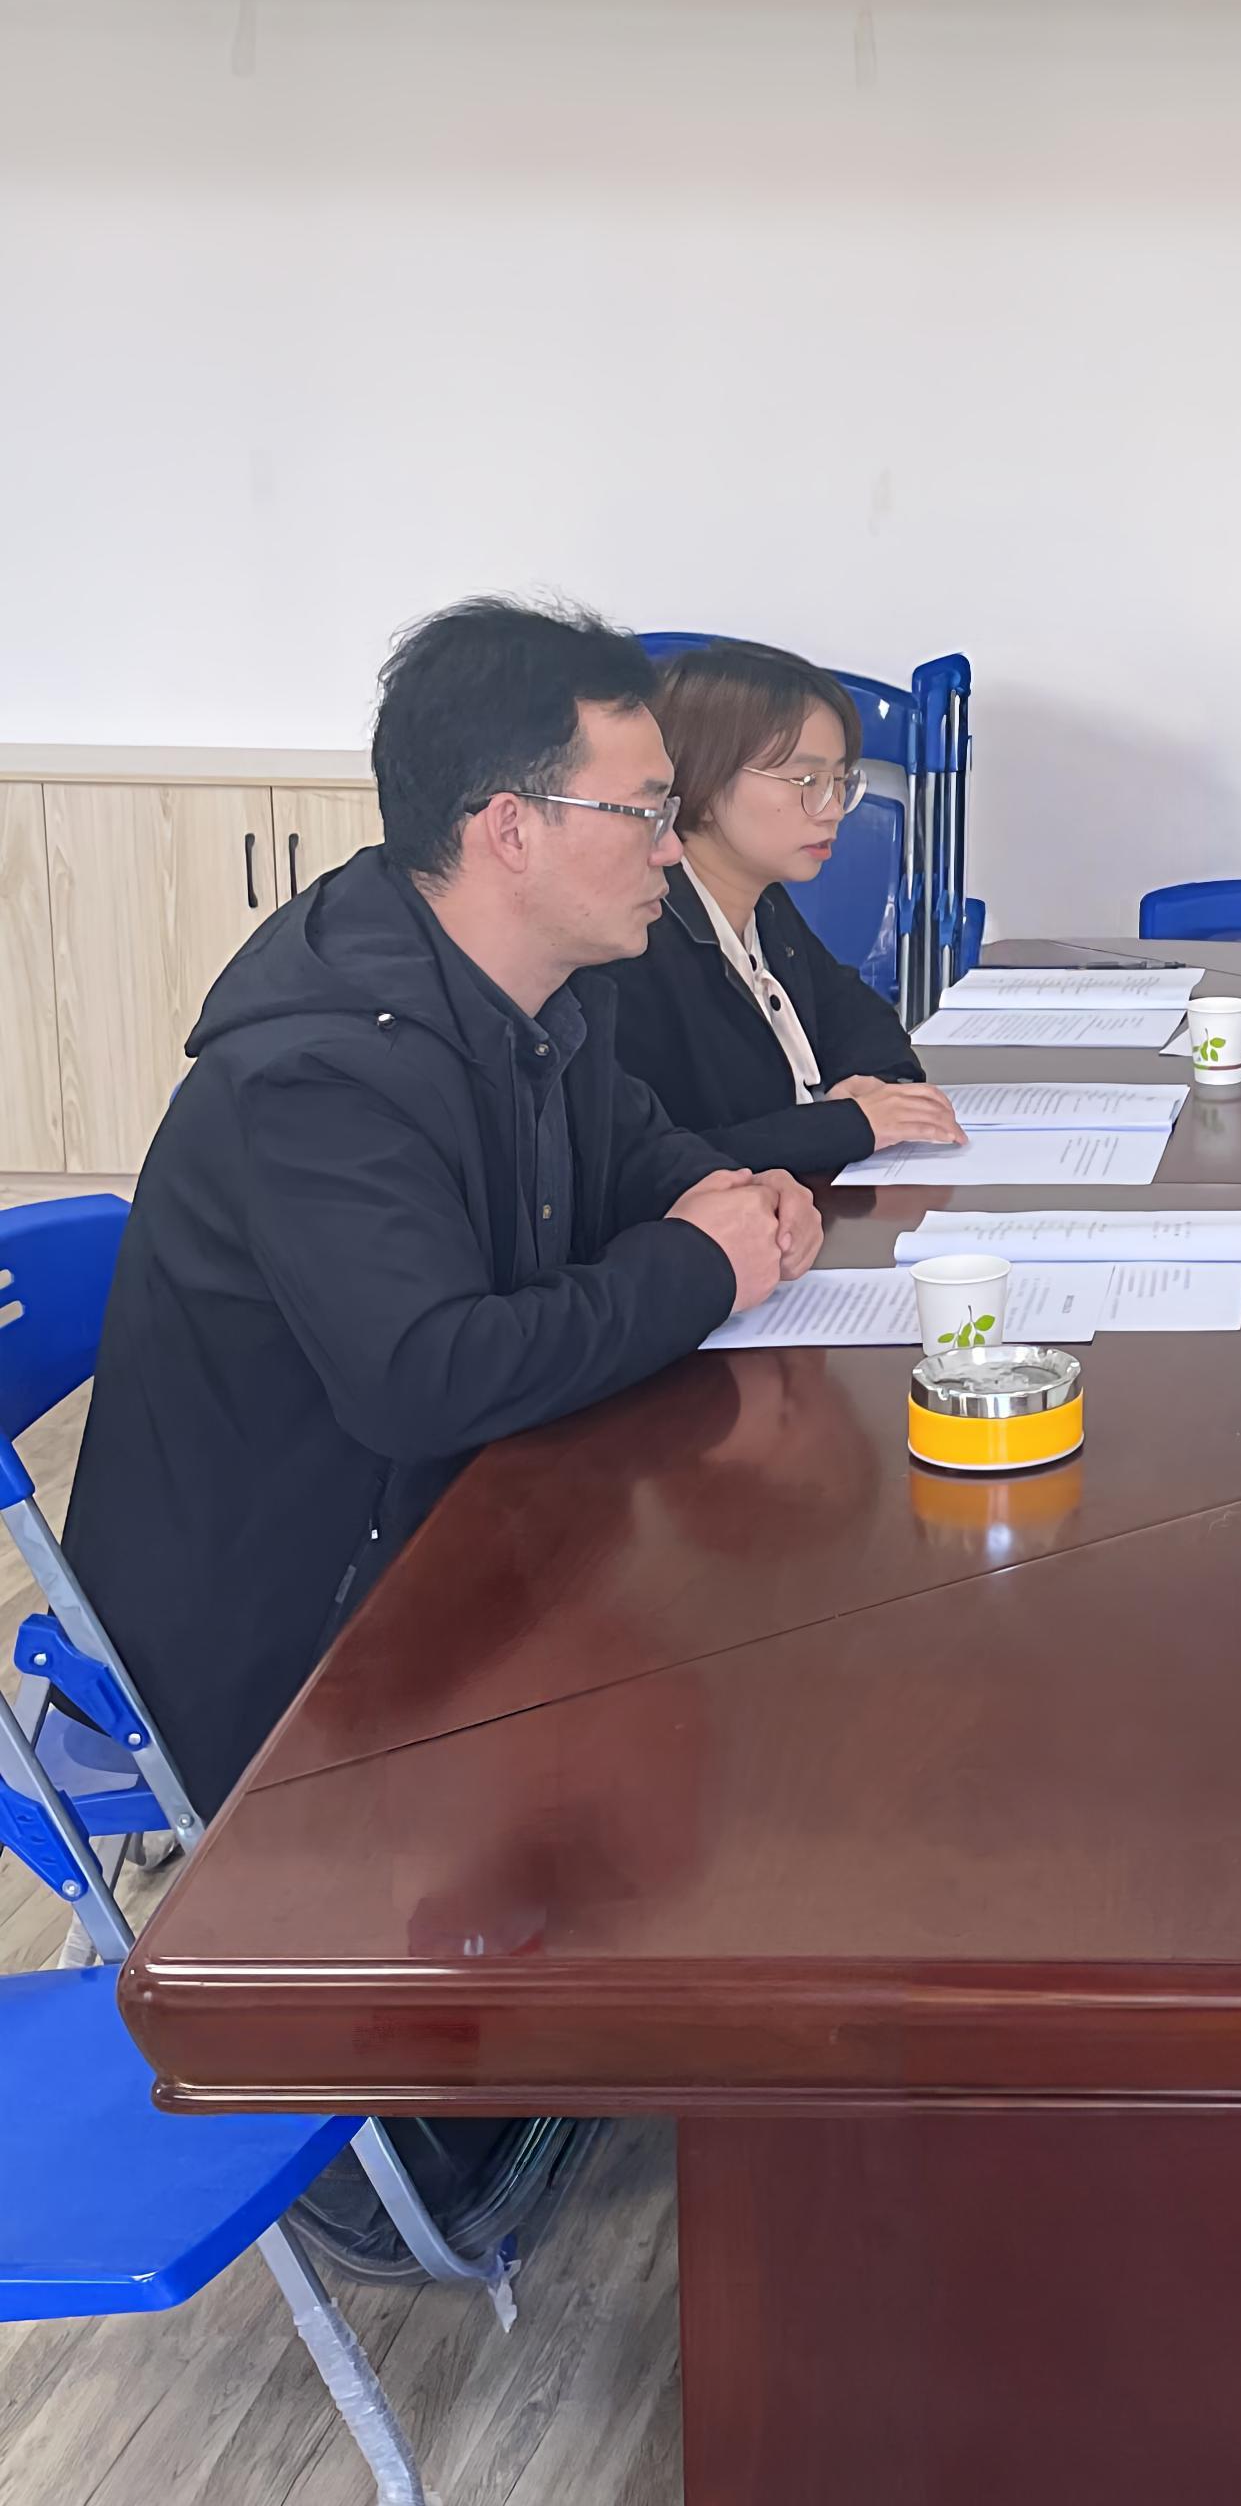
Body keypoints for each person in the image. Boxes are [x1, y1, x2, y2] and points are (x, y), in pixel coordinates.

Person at [61, 597, 818, 1812]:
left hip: (451, 1532)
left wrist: (725, 1194)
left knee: (755, 1666)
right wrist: (701, 1263)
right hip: (284, 1655)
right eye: (642, 814)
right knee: (728, 1749)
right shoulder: (317, 1074)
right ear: (510, 828)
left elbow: (633, 1148)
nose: (672, 851)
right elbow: (427, 1378)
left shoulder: (542, 986)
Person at [598, 638, 965, 1178]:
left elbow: (853, 1013)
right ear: (702, 776)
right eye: (807, 781)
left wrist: (874, 1082)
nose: (833, 809)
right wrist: (848, 1125)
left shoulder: (762, 899)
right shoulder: (634, 942)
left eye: (840, 781)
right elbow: (654, 1164)